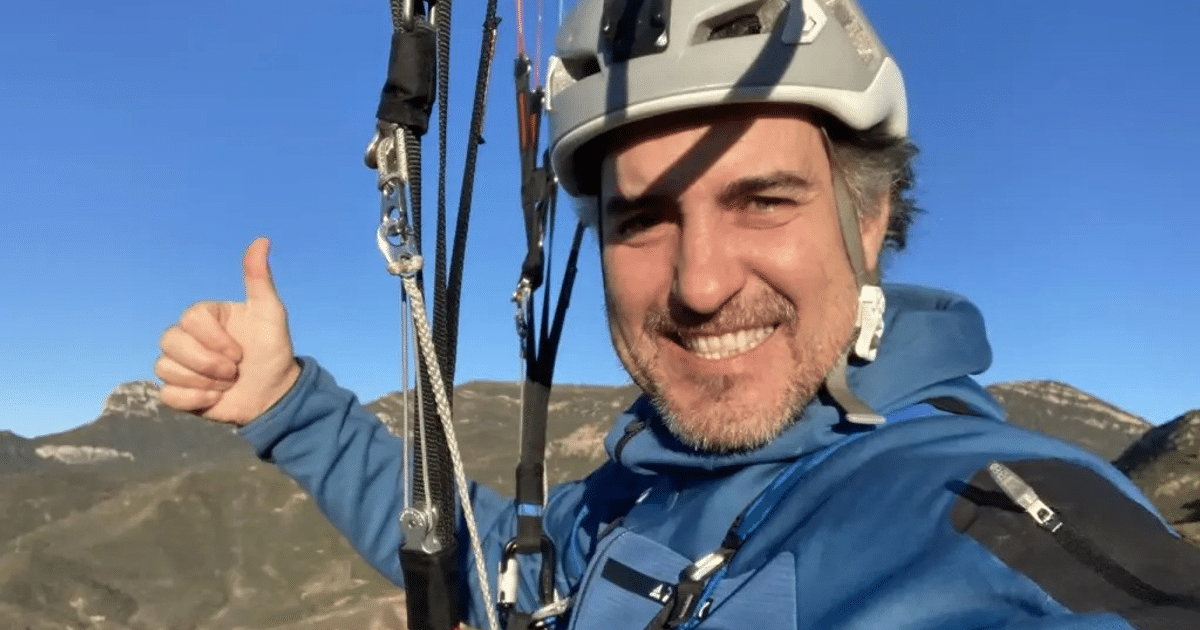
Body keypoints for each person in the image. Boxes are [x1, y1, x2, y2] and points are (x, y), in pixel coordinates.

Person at [155, 1, 1200, 628]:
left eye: (763, 200)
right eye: (644, 219)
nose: (700, 283)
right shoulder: (627, 499)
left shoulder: (989, 517)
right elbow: (474, 565)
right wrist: (292, 405)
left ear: (869, 215)